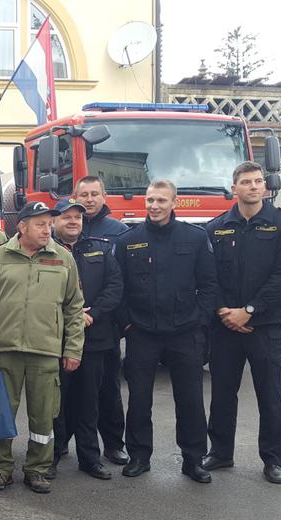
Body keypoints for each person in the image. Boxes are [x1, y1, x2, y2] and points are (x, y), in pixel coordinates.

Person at [203, 162, 281, 484]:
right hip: (224, 325)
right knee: (222, 392)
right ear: (235, 188)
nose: (254, 186)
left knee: (270, 394)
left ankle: (274, 459)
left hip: (266, 325)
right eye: (246, 182)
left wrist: (249, 310)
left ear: (265, 186)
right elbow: (207, 277)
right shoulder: (215, 228)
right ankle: (220, 452)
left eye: (259, 181)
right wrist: (223, 311)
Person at [0, 201, 85, 494]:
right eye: (40, 224)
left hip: (45, 351)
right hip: (4, 348)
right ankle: (0, 468)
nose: (47, 229)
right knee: (1, 413)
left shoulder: (63, 258)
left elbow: (74, 308)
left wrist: (73, 349)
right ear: (22, 227)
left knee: (43, 416)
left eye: (49, 223)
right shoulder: (0, 257)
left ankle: (37, 469)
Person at [114, 179, 219, 483]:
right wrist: (127, 323)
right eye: (150, 200)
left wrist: (199, 320)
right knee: (138, 398)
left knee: (190, 399)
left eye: (161, 200)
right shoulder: (128, 240)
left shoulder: (195, 238)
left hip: (185, 331)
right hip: (142, 332)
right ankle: (138, 455)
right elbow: (117, 287)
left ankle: (193, 458)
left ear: (175, 203)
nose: (155, 206)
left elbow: (209, 285)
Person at [47, 198, 122, 481]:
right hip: (55, 339)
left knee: (89, 401)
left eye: (77, 218)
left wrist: (94, 314)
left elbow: (115, 286)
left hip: (94, 338)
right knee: (56, 402)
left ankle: (89, 458)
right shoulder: (45, 252)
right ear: (54, 221)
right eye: (66, 217)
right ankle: (52, 455)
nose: (72, 222)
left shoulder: (100, 249)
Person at [74, 176, 132, 465]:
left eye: (94, 193)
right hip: (72, 327)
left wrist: (117, 320)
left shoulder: (119, 232)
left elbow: (122, 281)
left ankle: (113, 443)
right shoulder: (68, 226)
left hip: (106, 325)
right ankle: (67, 445)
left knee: (108, 390)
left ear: (104, 196)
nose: (89, 199)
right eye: (83, 194)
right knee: (75, 390)